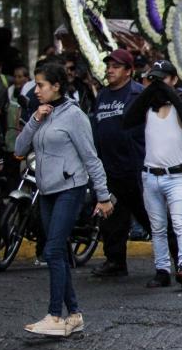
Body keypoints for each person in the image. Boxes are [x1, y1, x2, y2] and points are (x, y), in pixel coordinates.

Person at [16, 62, 113, 336]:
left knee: (53, 250)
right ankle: (75, 315)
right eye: (36, 85)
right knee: (57, 251)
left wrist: (103, 195)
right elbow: (20, 149)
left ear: (56, 86)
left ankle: (54, 316)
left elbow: (91, 158)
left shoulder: (74, 116)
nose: (37, 90)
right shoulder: (41, 114)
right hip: (46, 192)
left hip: (70, 189)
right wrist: (35, 118)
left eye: (41, 85)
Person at [123, 60, 182, 290]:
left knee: (179, 223)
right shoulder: (148, 106)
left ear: (174, 79)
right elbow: (127, 119)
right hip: (150, 175)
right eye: (155, 79)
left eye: (163, 79)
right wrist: (150, 92)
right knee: (157, 228)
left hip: (175, 176)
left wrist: (169, 92)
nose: (159, 85)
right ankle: (162, 269)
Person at [90, 49, 153, 278]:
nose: (110, 70)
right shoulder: (103, 95)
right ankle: (115, 261)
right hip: (109, 167)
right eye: (109, 66)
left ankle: (173, 259)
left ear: (128, 71)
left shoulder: (138, 94)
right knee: (112, 218)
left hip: (134, 167)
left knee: (148, 215)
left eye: (116, 66)